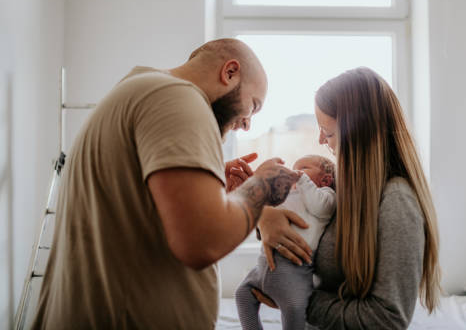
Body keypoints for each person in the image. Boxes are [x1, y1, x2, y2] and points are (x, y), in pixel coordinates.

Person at [32, 39, 300, 329]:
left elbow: (135, 204)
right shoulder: (178, 99)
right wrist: (261, 186)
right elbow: (202, 241)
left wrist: (212, 186)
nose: (247, 124)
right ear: (230, 72)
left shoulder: (141, 88)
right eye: (254, 106)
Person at [249, 67, 442, 329]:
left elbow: (387, 319)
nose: (320, 140)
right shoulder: (344, 186)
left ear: (357, 134)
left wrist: (297, 299)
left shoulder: (396, 202)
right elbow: (301, 218)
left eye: (327, 133)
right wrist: (265, 217)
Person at [235, 155, 336, 330]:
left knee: (293, 309)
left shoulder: (326, 195)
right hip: (264, 263)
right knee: (242, 294)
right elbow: (266, 214)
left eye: (303, 168)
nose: (295, 172)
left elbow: (320, 207)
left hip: (293, 270)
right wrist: (256, 184)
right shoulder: (290, 194)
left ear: (325, 179)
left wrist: (302, 179)